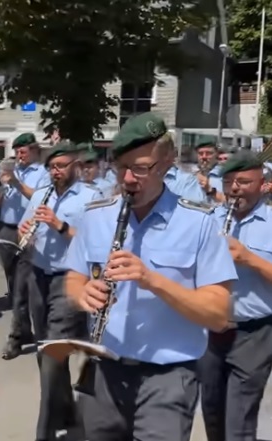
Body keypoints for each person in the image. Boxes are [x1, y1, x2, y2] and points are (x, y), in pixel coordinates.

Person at [63, 112, 237, 441]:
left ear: (168, 161)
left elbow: (218, 315)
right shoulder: (97, 215)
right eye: (121, 167)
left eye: (141, 167)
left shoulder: (199, 223)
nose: (128, 178)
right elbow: (74, 277)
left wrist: (152, 280)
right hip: (103, 370)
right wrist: (81, 292)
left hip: (168, 378)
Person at [18, 142, 99, 441]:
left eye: (62, 166)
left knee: (52, 353)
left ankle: (45, 431)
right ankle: (66, 409)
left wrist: (59, 225)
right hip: (39, 276)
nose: (57, 171)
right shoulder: (41, 195)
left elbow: (94, 241)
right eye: (52, 167)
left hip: (69, 280)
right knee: (45, 352)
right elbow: (23, 229)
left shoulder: (91, 197)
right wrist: (23, 233)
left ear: (75, 166)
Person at [198, 151, 272, 441]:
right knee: (212, 409)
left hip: (254, 332)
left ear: (262, 184)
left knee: (239, 418)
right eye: (229, 181)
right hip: (210, 330)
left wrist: (249, 259)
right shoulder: (207, 219)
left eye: (243, 181)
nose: (235, 188)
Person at [0, 133, 50, 360]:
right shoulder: (14, 171)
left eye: (23, 151)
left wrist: (16, 183)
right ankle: (24, 328)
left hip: (28, 232)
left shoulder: (42, 174)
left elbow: (39, 197)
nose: (19, 155)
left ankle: (16, 337)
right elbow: (3, 200)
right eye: (17, 151)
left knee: (20, 286)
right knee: (13, 284)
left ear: (35, 150)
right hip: (6, 229)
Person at [194, 137, 224, 203]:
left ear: (217, 154)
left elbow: (229, 202)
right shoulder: (191, 176)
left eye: (208, 153)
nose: (204, 157)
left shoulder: (224, 175)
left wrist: (210, 190)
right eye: (200, 153)